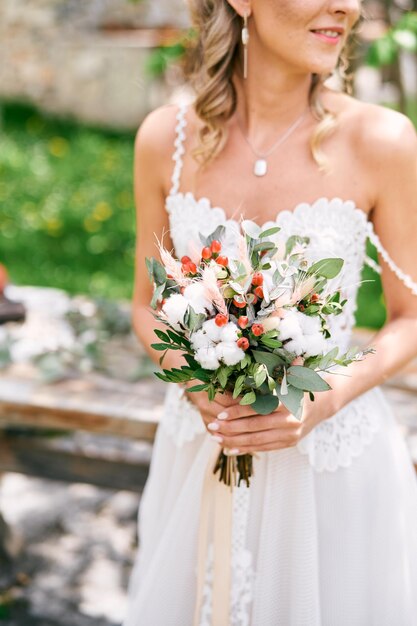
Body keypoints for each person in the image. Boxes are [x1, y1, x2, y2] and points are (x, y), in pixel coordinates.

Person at [124, 0, 417, 624]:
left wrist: (319, 398)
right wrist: (200, 383)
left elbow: (410, 319)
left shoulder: (383, 141)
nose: (351, 6)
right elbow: (146, 308)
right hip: (199, 449)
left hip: (331, 466)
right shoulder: (165, 140)